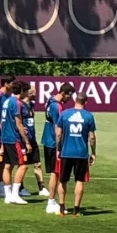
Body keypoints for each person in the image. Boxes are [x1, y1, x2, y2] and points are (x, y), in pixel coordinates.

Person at [54, 93, 97, 217]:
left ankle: (62, 209)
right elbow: (92, 137)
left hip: (66, 152)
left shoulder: (65, 114)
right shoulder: (88, 116)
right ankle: (76, 210)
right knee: (79, 181)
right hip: (81, 153)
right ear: (86, 102)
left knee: (63, 180)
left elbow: (58, 134)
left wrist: (58, 149)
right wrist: (93, 153)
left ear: (75, 100)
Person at [41, 83, 76, 214]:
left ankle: (51, 201)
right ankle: (51, 201)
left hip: (47, 139)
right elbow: (58, 128)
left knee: (54, 173)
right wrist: (59, 147)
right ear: (64, 93)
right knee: (55, 173)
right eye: (69, 96)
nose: (69, 99)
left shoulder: (50, 100)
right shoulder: (57, 107)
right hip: (53, 142)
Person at [0, 80, 31, 205]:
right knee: (23, 165)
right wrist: (26, 141)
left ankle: (8, 195)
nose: (27, 93)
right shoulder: (16, 103)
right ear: (22, 91)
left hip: (5, 137)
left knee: (8, 166)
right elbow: (18, 124)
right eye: (26, 91)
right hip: (14, 139)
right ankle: (15, 194)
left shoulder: (7, 101)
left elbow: (3, 122)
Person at [19, 85, 48, 198]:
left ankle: (41, 187)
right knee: (23, 165)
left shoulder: (31, 105)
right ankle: (20, 187)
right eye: (35, 92)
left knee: (37, 164)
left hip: (33, 138)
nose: (37, 94)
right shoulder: (20, 105)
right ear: (29, 94)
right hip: (23, 140)